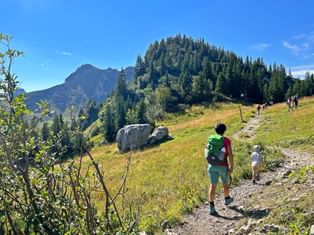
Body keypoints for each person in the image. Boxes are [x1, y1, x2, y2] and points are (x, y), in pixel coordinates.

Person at [207, 123, 234, 215]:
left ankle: (211, 207)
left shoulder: (211, 139)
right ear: (224, 130)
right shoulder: (226, 140)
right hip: (222, 165)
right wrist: (231, 166)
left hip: (211, 165)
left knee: (212, 186)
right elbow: (230, 154)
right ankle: (227, 199)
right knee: (225, 183)